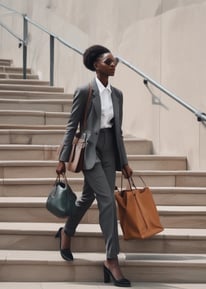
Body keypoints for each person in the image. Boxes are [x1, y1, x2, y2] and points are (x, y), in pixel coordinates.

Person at [56, 44, 133, 287]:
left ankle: (67, 231)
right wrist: (62, 158)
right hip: (90, 151)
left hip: (110, 150)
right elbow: (72, 126)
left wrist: (125, 161)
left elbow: (118, 131)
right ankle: (111, 259)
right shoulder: (85, 90)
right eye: (108, 61)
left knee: (87, 198)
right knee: (107, 200)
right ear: (96, 65)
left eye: (114, 61)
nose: (113, 65)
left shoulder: (117, 94)